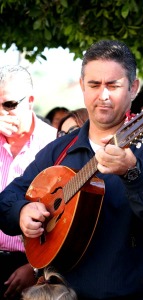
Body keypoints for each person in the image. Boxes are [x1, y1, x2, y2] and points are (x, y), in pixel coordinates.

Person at [0, 40, 143, 300]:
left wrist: (132, 171)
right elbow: (6, 199)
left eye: (113, 85)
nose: (103, 95)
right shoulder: (60, 150)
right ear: (82, 87)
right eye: (94, 85)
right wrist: (22, 212)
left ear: (133, 88)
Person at [0, 64, 57, 299]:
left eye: (9, 105)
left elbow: (62, 215)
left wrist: (35, 268)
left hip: (35, 265)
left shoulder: (54, 143)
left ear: (30, 100)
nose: (2, 113)